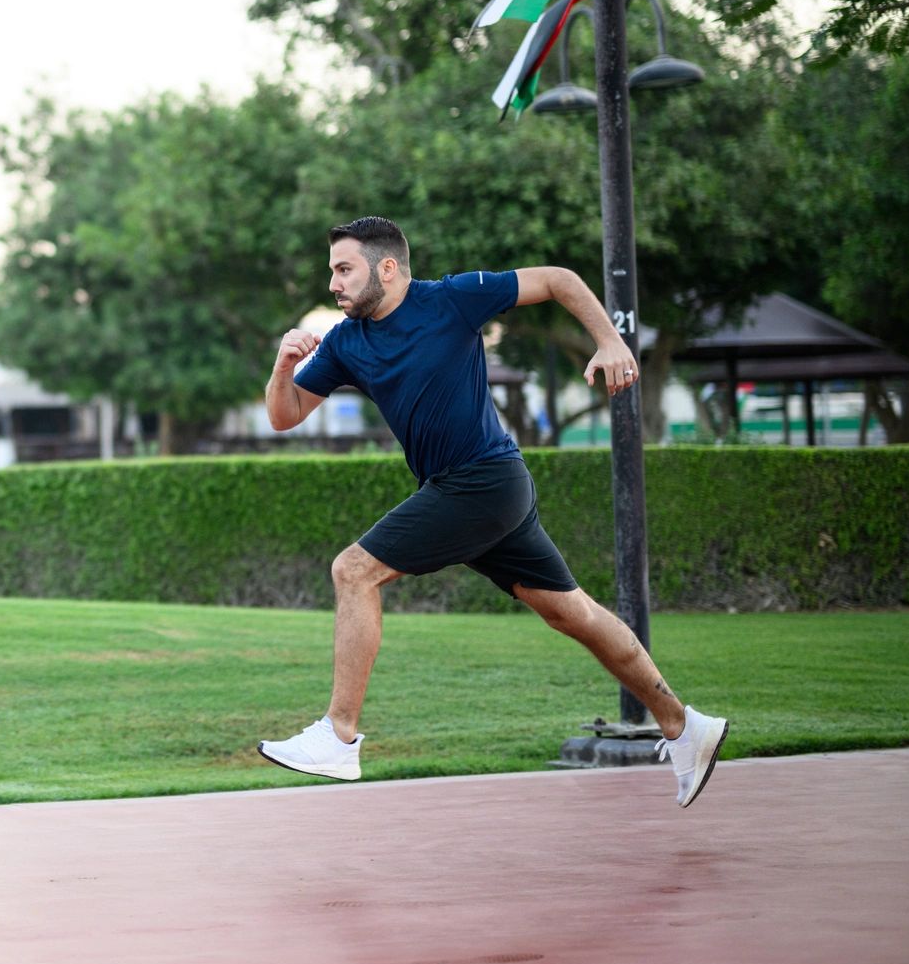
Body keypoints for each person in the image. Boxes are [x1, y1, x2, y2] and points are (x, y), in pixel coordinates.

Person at [256, 216, 727, 807]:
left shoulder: (451, 299)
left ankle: (339, 735)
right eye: (332, 271)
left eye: (344, 269)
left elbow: (557, 279)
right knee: (574, 614)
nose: (333, 283)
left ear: (387, 268)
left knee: (354, 570)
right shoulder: (347, 342)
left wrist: (611, 341)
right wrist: (283, 367)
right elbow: (285, 414)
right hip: (481, 493)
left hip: (484, 482)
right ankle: (685, 726)